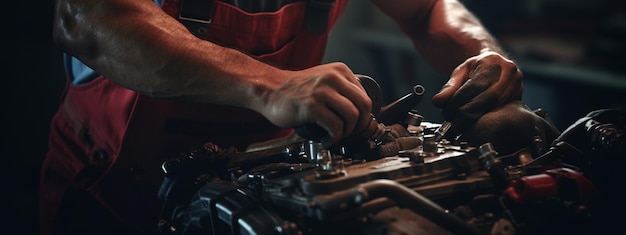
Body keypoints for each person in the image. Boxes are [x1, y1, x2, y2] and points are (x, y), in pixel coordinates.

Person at [41, 0, 523, 234]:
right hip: (112, 194)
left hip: (261, 186)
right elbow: (86, 19)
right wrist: (270, 83)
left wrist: (483, 53)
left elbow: (426, 10)